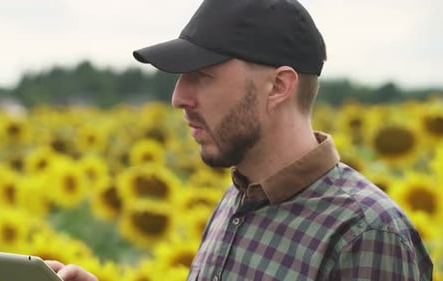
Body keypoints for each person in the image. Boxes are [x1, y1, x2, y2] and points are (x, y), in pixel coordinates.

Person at [47, 0, 433, 280]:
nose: (178, 97)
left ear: (279, 86)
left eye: (202, 75)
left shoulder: (364, 234)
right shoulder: (240, 196)